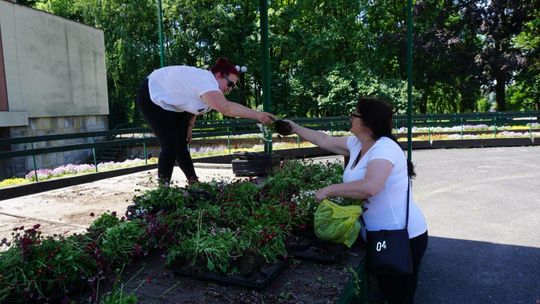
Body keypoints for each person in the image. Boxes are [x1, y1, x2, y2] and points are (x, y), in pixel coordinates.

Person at [284, 97, 428, 304]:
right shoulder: (357, 144)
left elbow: (371, 186)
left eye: (354, 114)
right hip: (380, 236)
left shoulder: (384, 148)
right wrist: (295, 128)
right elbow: (323, 139)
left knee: (399, 297)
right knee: (387, 291)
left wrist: (329, 190)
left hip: (402, 237)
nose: (351, 117)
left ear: (367, 121)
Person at [136, 58, 275, 185]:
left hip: (172, 103)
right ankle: (163, 189)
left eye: (233, 86)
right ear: (219, 75)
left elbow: (193, 105)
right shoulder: (206, 81)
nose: (230, 89)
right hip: (152, 93)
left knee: (181, 145)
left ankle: (194, 182)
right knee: (171, 144)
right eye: (230, 83)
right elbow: (225, 107)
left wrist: (189, 126)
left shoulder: (209, 86)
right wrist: (257, 115)